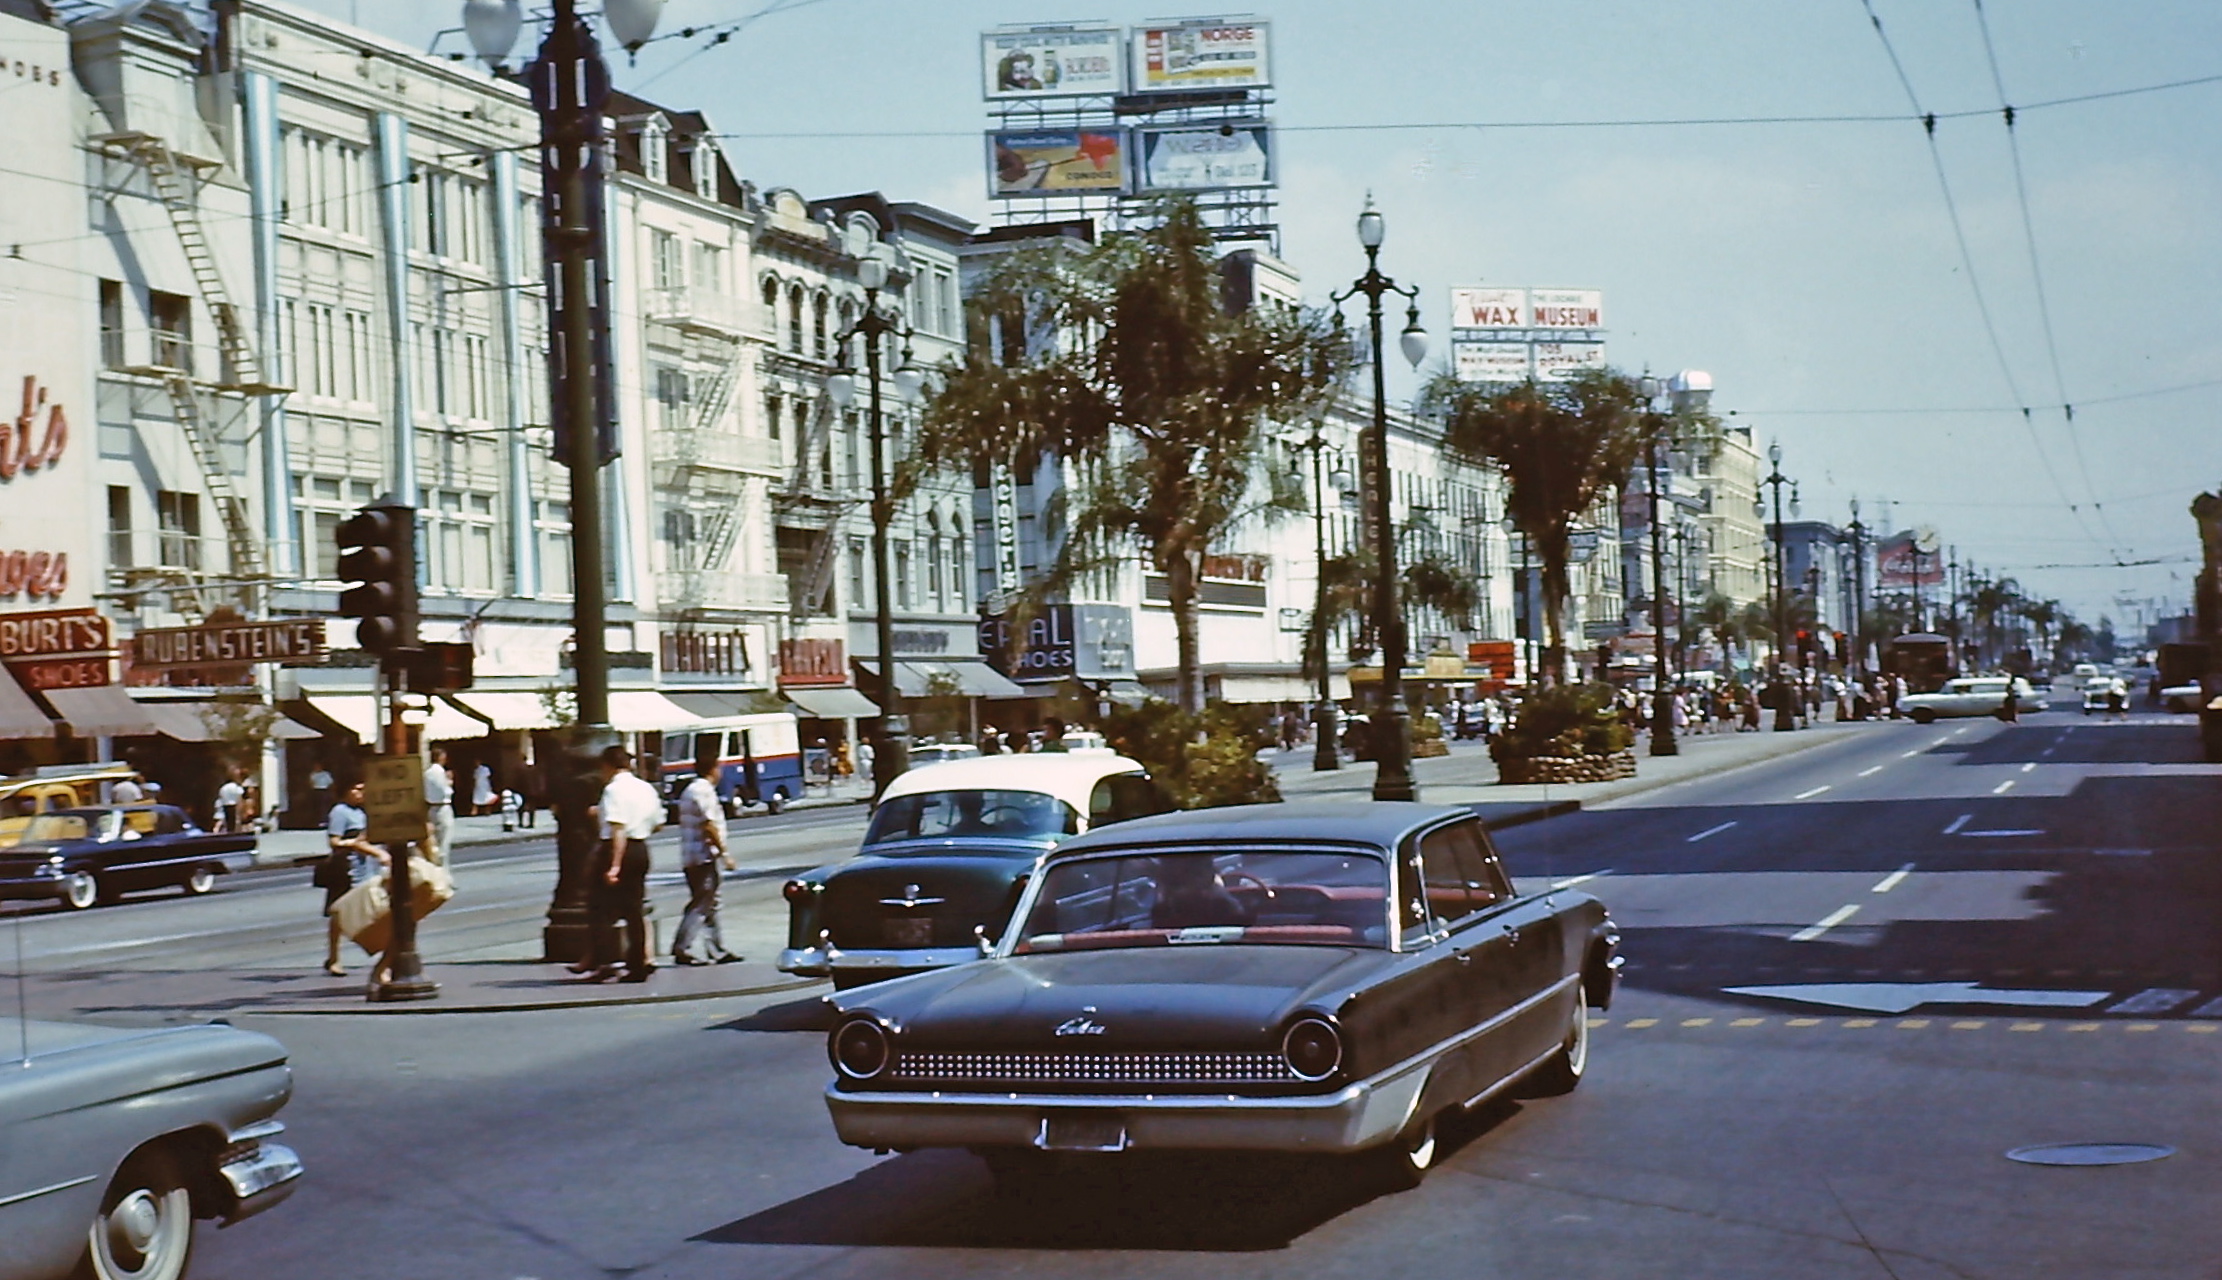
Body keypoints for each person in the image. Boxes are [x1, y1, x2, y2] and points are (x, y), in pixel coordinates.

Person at [584, 744, 661, 983]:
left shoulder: (613, 790)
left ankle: (606, 963)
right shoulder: (646, 788)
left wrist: (614, 865)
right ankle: (637, 965)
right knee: (634, 911)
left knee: (600, 908)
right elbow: (658, 823)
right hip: (640, 848)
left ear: (607, 766)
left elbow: (618, 828)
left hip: (618, 850)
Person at [672, 741, 740, 966]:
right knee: (703, 902)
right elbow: (708, 824)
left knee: (709, 903)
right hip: (702, 857)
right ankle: (683, 947)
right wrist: (725, 854)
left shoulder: (692, 790)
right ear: (714, 769)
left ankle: (716, 949)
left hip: (693, 856)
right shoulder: (702, 791)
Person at [321, 780, 389, 977]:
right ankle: (334, 957)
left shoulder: (363, 811)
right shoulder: (340, 811)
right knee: (339, 915)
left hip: (367, 867)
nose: (361, 793)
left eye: (363, 789)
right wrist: (354, 843)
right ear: (346, 790)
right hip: (347, 869)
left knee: (375, 911)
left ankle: (383, 962)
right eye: (356, 789)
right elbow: (334, 841)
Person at [423, 747, 454, 866]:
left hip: (431, 807)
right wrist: (449, 782)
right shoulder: (439, 771)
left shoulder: (427, 772)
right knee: (444, 843)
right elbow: (443, 790)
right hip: (442, 806)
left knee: (434, 842)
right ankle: (443, 873)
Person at [214, 768, 245, 833]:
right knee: (236, 821)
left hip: (226, 805)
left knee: (228, 821)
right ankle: (236, 832)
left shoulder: (223, 788)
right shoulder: (236, 787)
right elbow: (240, 798)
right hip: (234, 805)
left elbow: (221, 797)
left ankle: (228, 831)